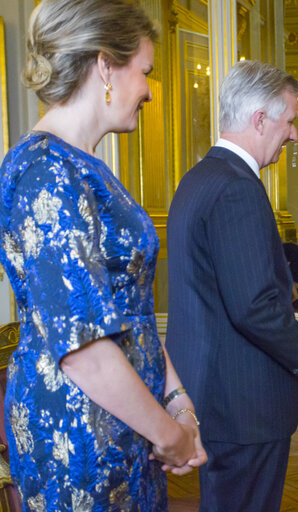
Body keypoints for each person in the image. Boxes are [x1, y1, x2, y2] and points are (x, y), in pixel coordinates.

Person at [0, 0, 206, 509]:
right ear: (104, 65)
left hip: (124, 421)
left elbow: (131, 311)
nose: (150, 91)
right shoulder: (44, 170)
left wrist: (178, 404)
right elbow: (83, 348)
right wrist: (168, 433)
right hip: (79, 435)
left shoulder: (84, 166)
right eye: (145, 71)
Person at [165, 60, 298, 512]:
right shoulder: (236, 187)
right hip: (243, 401)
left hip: (212, 391)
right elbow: (254, 308)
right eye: (289, 121)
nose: (292, 135)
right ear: (260, 119)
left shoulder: (197, 180)